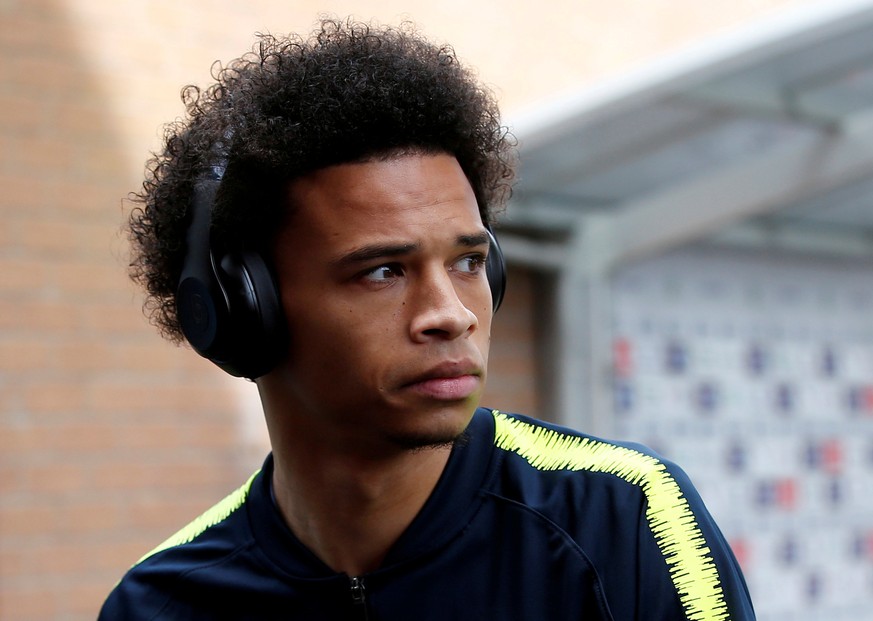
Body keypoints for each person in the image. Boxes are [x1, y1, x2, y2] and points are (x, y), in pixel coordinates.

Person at [100, 17, 755, 620]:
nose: (449, 314)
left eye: (468, 263)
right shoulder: (156, 602)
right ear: (242, 308)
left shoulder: (625, 521)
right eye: (382, 271)